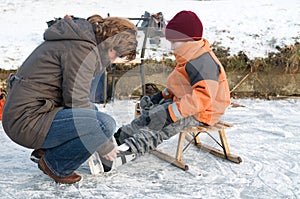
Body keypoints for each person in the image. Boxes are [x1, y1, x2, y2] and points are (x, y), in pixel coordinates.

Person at [2, 14, 137, 184]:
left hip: (34, 111)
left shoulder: (81, 40)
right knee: (103, 125)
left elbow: (74, 98)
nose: (113, 61)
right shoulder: (81, 49)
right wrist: (104, 146)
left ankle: (45, 150)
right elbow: (76, 101)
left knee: (94, 113)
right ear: (111, 45)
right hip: (26, 121)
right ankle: (55, 165)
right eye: (116, 55)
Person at [113, 11, 231, 162]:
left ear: (186, 41)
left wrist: (171, 114)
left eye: (174, 42)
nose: (171, 47)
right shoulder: (189, 56)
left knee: (159, 124)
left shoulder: (203, 62)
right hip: (185, 103)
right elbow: (182, 86)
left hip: (203, 112)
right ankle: (119, 138)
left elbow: (203, 99)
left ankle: (127, 151)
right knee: (151, 115)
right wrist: (162, 96)